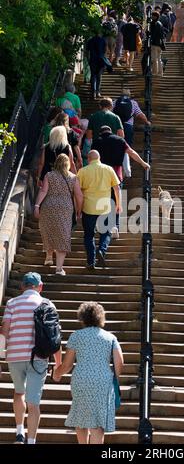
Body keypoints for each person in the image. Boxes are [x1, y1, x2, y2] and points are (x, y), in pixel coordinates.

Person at [0, 272, 62, 444]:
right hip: (39, 357)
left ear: (22, 286)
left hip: (15, 355)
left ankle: (19, 431)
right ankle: (31, 441)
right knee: (34, 402)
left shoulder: (12, 303)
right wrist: (58, 364)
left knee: (19, 392)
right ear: (40, 287)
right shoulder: (47, 304)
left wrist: (0, 354)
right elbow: (55, 336)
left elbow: (4, 331)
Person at [53, 302, 123, 444]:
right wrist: (114, 377)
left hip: (81, 379)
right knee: (97, 422)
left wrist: (57, 373)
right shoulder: (110, 338)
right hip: (103, 380)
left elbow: (67, 365)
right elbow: (119, 363)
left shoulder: (76, 336)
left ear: (82, 317)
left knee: (81, 416)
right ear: (100, 318)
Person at [93, 125, 150, 238]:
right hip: (116, 174)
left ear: (101, 133)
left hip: (100, 175)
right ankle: (115, 226)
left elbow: (92, 158)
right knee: (116, 201)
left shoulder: (96, 142)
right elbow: (131, 152)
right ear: (111, 131)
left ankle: (99, 225)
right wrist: (143, 163)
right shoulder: (120, 140)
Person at [34, 154, 83, 274]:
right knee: (63, 235)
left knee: (49, 230)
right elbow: (79, 196)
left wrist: (36, 206)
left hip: (48, 206)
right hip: (65, 208)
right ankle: (59, 268)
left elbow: (44, 191)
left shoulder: (49, 175)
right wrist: (79, 210)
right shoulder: (73, 177)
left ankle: (49, 257)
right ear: (68, 164)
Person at [77, 150, 121, 269]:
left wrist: (78, 209)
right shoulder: (108, 169)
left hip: (88, 208)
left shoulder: (82, 171)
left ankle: (91, 261)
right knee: (106, 232)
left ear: (89, 159)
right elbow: (117, 188)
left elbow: (78, 192)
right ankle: (102, 249)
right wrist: (118, 204)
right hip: (105, 207)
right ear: (99, 158)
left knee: (89, 235)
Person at [87, 31, 107, 99]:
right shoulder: (102, 40)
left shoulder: (90, 40)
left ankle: (93, 93)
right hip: (100, 60)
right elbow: (105, 51)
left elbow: (88, 51)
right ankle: (98, 92)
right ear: (100, 33)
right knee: (99, 76)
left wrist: (88, 60)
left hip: (93, 60)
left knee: (93, 76)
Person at [150, 11, 165, 77]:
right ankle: (160, 73)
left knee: (154, 59)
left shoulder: (154, 23)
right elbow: (162, 34)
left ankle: (154, 73)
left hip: (154, 43)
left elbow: (152, 34)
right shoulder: (160, 23)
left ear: (155, 16)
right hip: (160, 44)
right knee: (159, 59)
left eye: (152, 15)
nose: (151, 17)